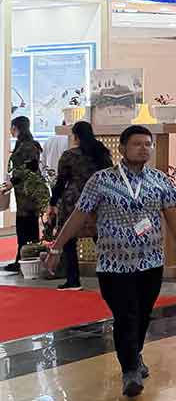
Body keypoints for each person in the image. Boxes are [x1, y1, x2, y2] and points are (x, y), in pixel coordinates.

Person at [46, 126, 176, 399]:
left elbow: (172, 213)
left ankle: (134, 355)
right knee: (126, 315)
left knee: (143, 314)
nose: (143, 148)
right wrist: (56, 246)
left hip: (150, 261)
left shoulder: (159, 180)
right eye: (137, 144)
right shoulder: (101, 180)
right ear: (123, 148)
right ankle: (130, 371)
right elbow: (79, 215)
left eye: (147, 144)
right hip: (114, 264)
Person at [46, 122, 112, 290]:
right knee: (101, 240)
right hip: (99, 200)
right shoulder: (102, 153)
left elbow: (61, 182)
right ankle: (112, 276)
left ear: (75, 136)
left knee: (69, 240)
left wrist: (52, 203)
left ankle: (73, 280)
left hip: (74, 200)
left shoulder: (70, 155)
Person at [5, 117, 46, 272]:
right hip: (25, 194)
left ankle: (25, 260)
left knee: (26, 227)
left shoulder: (27, 145)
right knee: (27, 226)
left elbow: (31, 167)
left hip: (28, 194)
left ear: (16, 127)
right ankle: (24, 259)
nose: (11, 130)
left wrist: (13, 181)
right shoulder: (26, 144)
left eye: (12, 127)